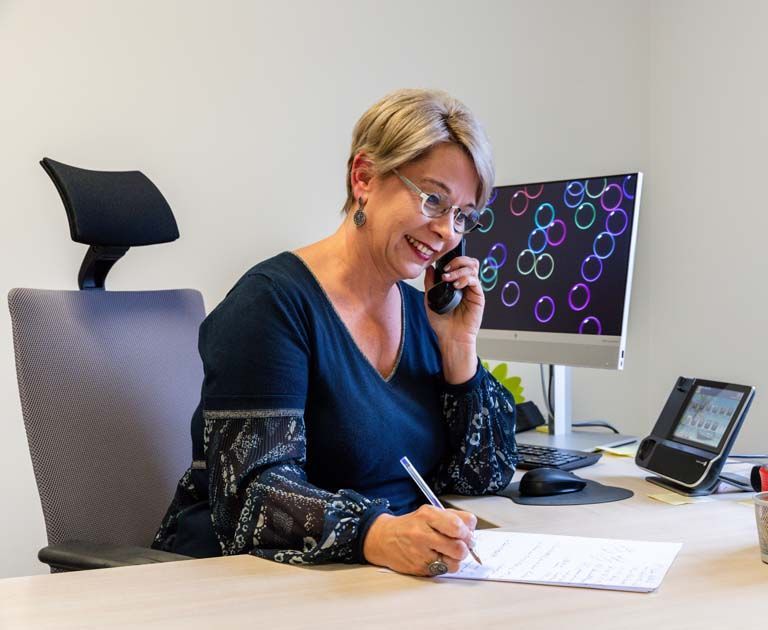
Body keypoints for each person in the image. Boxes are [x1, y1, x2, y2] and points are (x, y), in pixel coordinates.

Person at [153, 89, 518, 577]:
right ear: (364, 177)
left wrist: (458, 347)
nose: (447, 232)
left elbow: (485, 474)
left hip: (378, 579)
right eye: (433, 199)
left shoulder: (425, 316)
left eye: (463, 216)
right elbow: (251, 497)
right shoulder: (271, 304)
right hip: (252, 581)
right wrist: (378, 532)